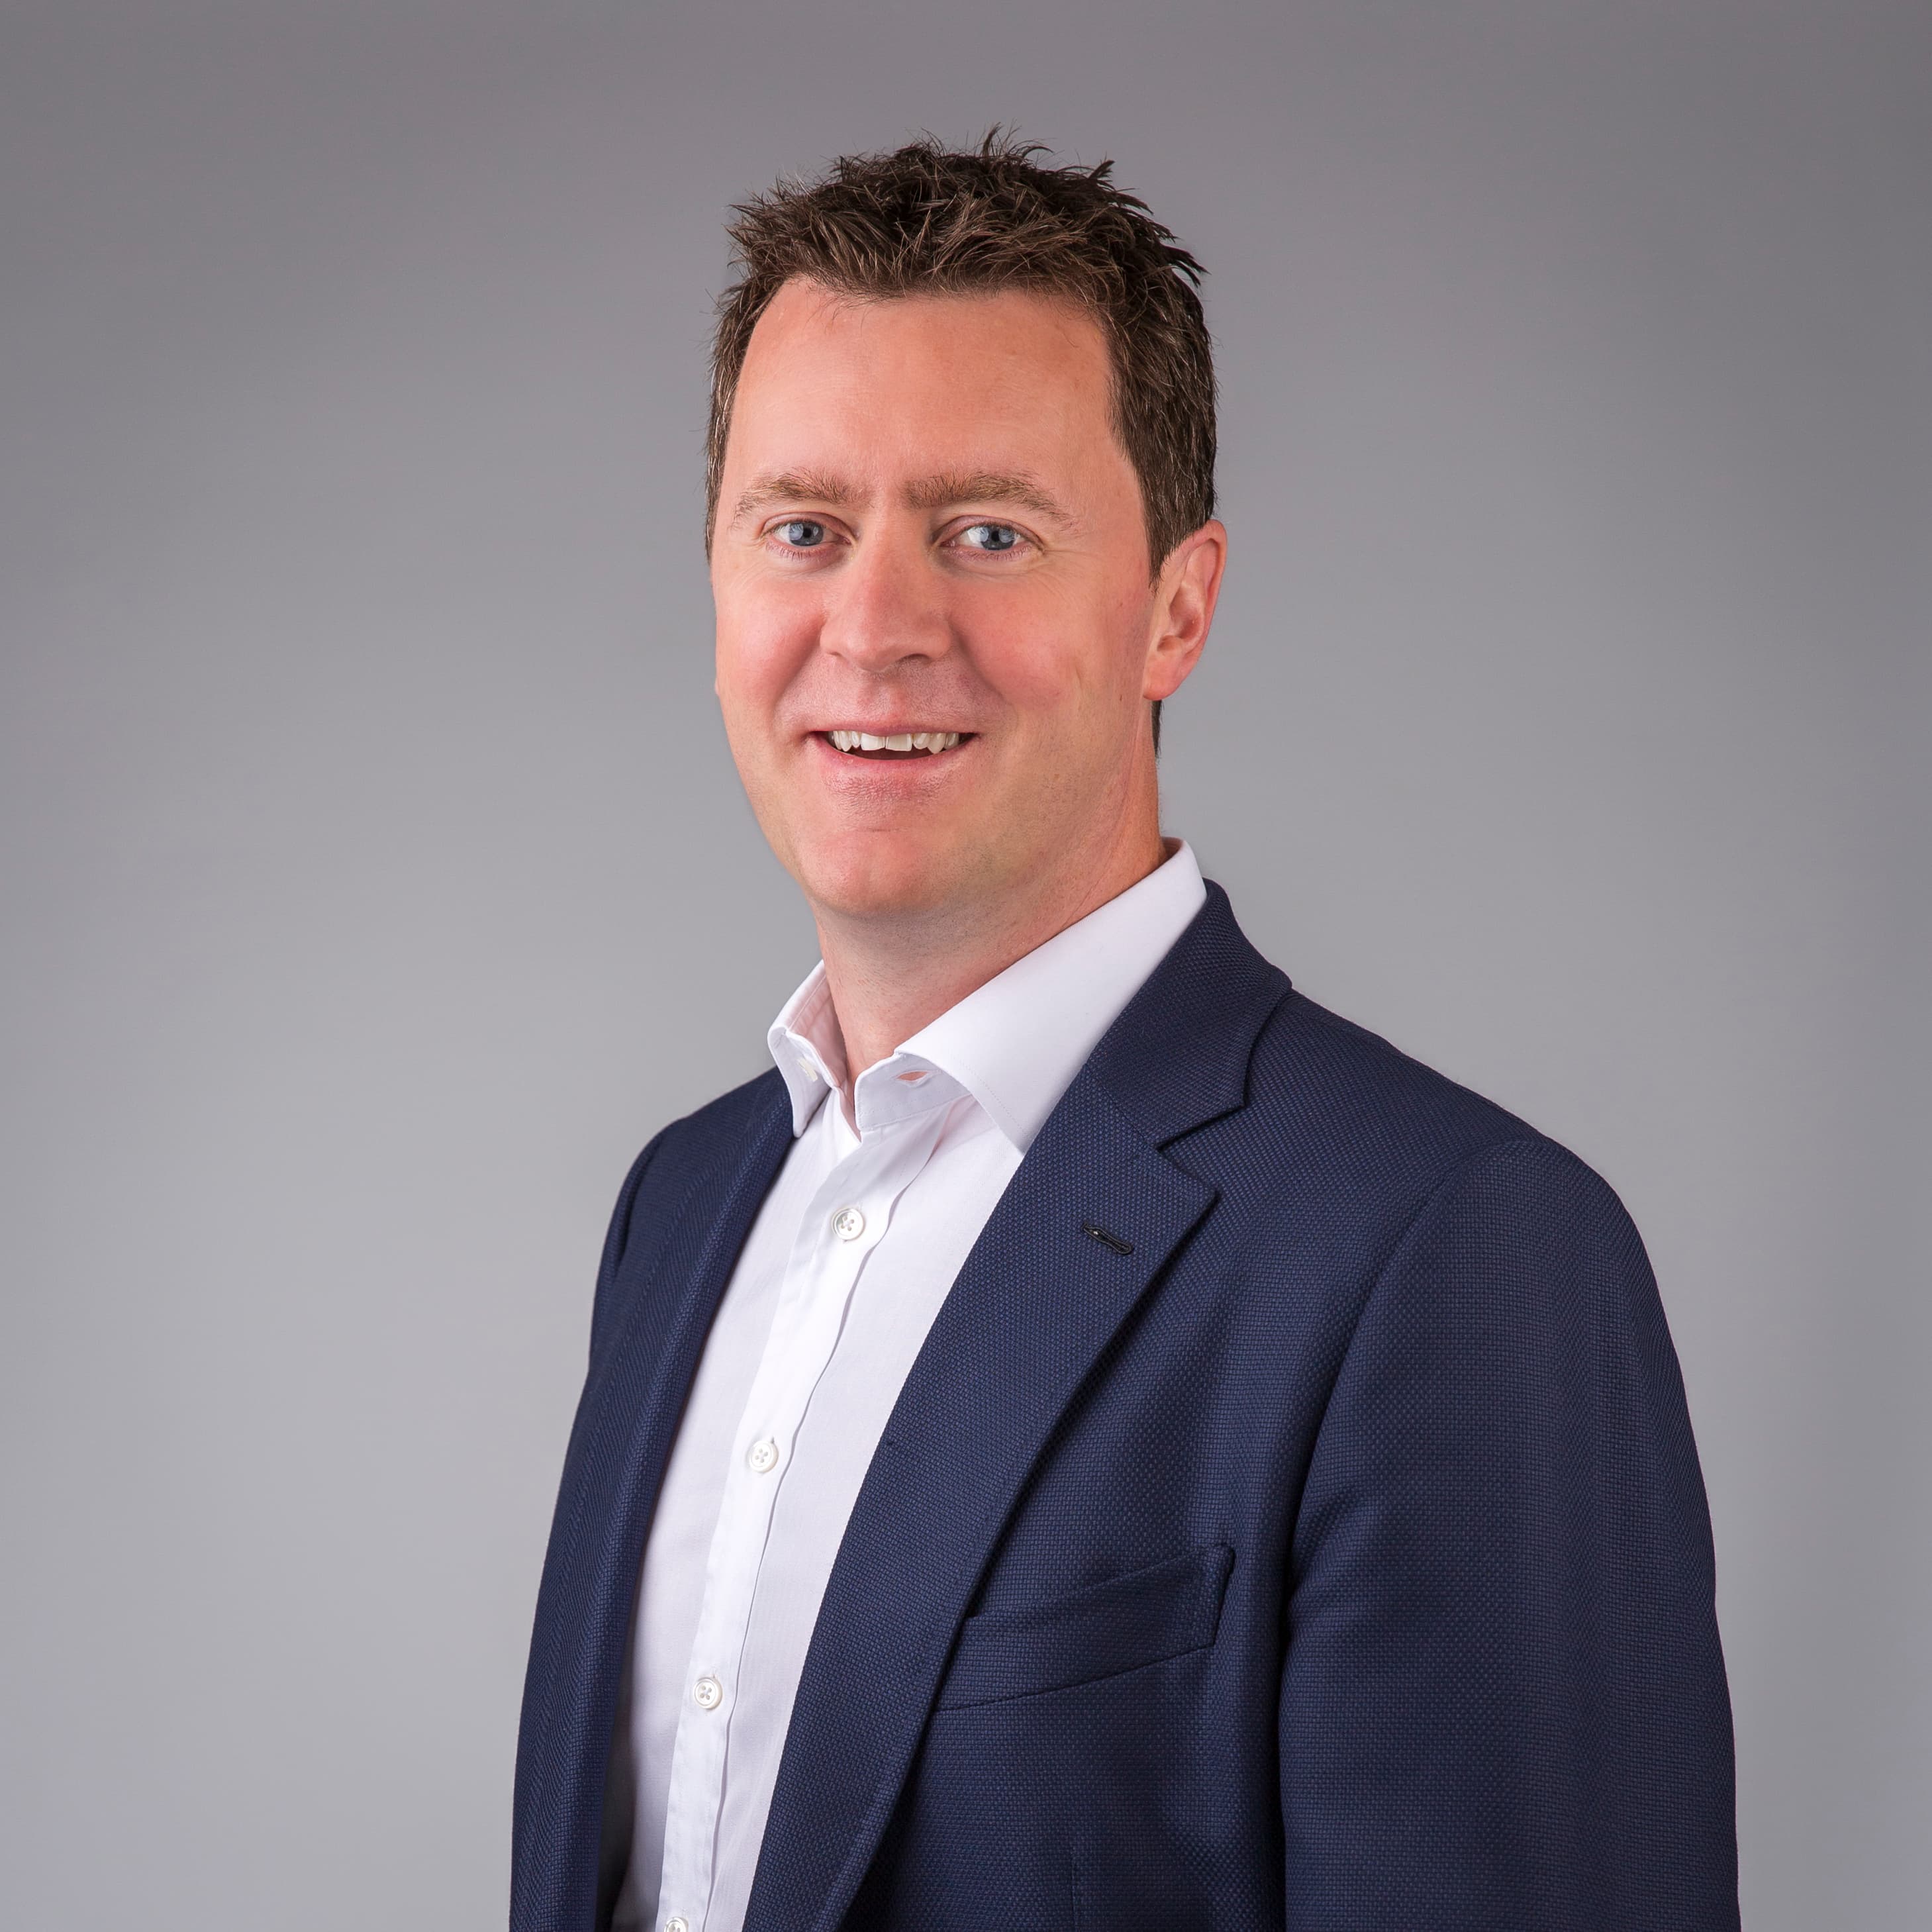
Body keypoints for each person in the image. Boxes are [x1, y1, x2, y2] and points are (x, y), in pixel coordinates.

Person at [511, 134, 1737, 1932]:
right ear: (718, 582)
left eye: (986, 533)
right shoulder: (684, 1207)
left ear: (1178, 603)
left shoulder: (1453, 1250)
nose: (874, 627)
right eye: (803, 529)